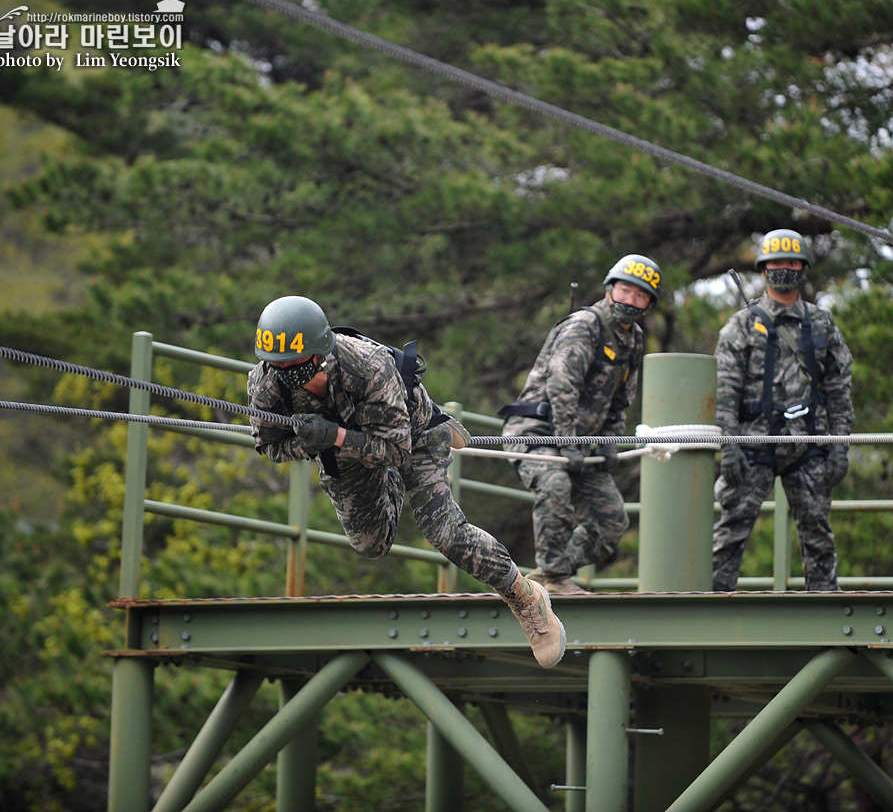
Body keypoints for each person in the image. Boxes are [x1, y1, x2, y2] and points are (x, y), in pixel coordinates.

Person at [247, 295, 566, 668]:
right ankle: (390, 484)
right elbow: (270, 446)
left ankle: (524, 596)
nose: (284, 371)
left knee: (445, 533)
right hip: (345, 452)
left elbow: (396, 451)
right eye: (276, 364)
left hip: (411, 439)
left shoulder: (367, 367)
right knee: (369, 544)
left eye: (293, 363)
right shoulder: (266, 385)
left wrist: (335, 437)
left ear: (319, 353)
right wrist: (308, 442)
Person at [499, 255, 659, 594]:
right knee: (554, 485)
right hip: (536, 432)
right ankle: (556, 580)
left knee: (612, 521)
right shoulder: (584, 325)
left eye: (640, 295)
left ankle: (546, 576)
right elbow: (563, 385)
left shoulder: (634, 339)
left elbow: (621, 399)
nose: (630, 300)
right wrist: (567, 440)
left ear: (648, 303)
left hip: (580, 442)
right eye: (625, 290)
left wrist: (609, 442)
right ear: (610, 288)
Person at [712, 229, 855, 592]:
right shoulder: (741, 326)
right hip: (752, 444)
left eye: (791, 263)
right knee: (730, 532)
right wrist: (728, 446)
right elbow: (724, 391)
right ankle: (709, 605)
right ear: (763, 269)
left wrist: (840, 445)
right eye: (776, 263)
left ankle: (826, 608)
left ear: (803, 268)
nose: (784, 269)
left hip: (808, 445)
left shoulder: (821, 323)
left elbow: (838, 387)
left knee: (818, 534)